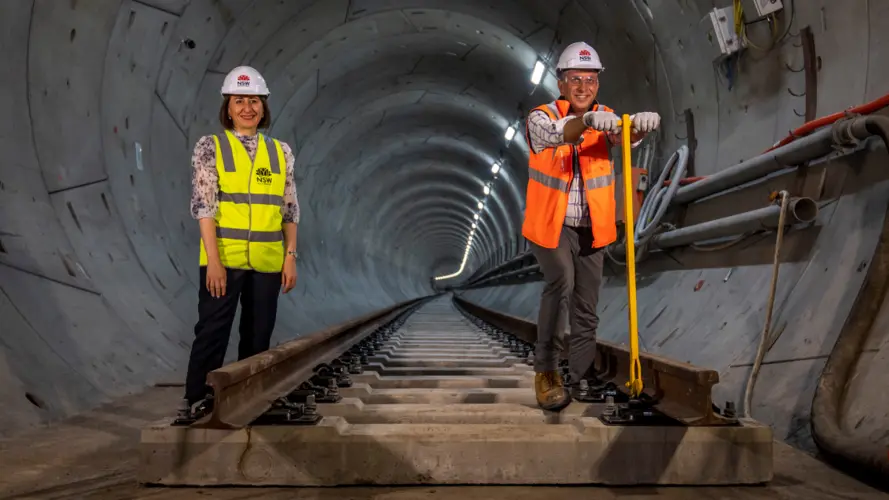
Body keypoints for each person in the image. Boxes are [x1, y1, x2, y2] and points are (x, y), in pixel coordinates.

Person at [523, 42, 660, 412]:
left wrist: (638, 129)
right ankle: (546, 372)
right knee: (561, 282)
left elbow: (621, 136)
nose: (583, 87)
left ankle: (579, 374)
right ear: (561, 83)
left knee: (587, 305)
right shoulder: (540, 116)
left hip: (592, 227)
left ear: (597, 84)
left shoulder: (607, 115)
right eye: (575, 79)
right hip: (551, 226)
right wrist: (583, 123)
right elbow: (554, 136)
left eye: (590, 80)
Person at [182, 65, 300, 417]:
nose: (247, 108)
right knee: (212, 330)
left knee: (257, 335)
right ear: (228, 106)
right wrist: (213, 261)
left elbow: (289, 208)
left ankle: (247, 399)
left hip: (267, 260)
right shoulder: (211, 147)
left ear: (263, 106)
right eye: (239, 101)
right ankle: (196, 399)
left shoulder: (281, 152)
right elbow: (204, 205)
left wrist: (290, 256)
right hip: (225, 258)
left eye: (254, 100)